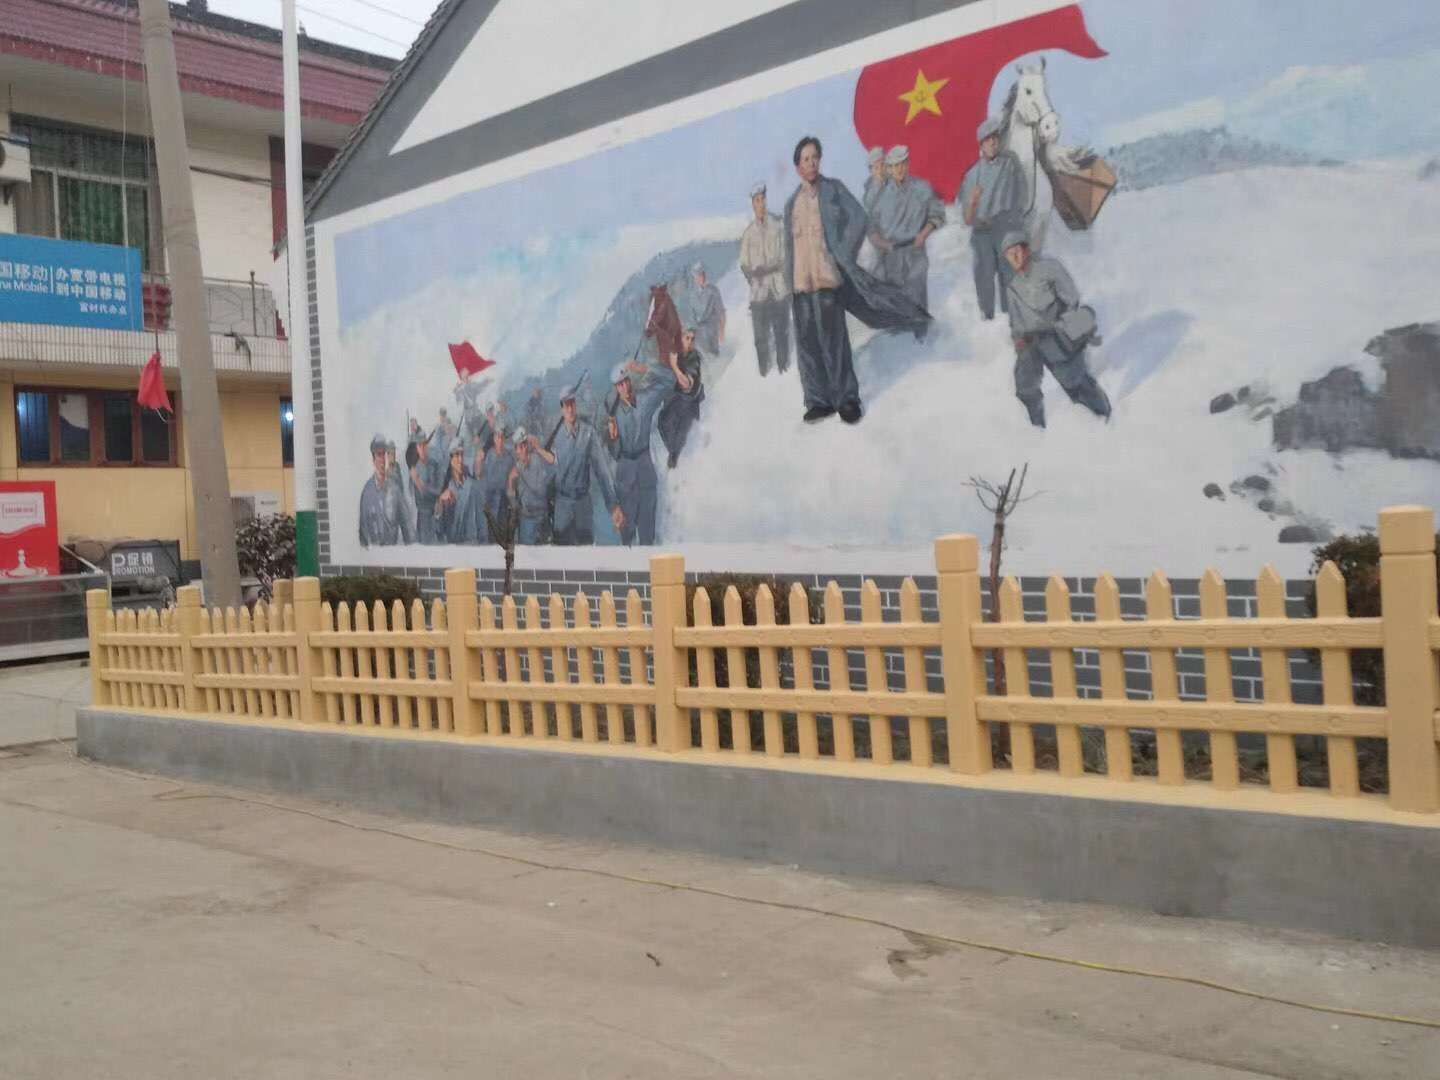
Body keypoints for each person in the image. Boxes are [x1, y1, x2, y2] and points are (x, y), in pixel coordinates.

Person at [783, 135, 930, 425]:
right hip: (801, 285)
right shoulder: (791, 203)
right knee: (808, 346)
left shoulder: (833, 189)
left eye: (815, 158)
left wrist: (842, 251)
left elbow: (859, 219)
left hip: (827, 279)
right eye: (806, 159)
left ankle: (847, 400)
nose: (811, 164)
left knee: (834, 342)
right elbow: (790, 246)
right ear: (798, 166)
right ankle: (818, 401)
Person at [1002, 231, 1111, 428]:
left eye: (1017, 250)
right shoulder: (1013, 288)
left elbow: (1072, 298)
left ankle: (1104, 417)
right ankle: (1036, 429)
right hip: (1031, 341)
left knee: (1074, 381)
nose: (1014, 257)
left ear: (1026, 250)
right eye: (1009, 254)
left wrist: (1064, 328)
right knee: (1025, 385)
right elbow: (1016, 322)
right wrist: (1019, 341)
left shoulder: (1049, 268)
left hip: (1058, 334)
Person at [960, 115, 1027, 320]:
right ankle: (987, 317)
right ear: (981, 145)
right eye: (988, 139)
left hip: (1007, 228)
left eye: (995, 138)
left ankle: (1013, 317)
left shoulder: (1011, 163)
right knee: (984, 275)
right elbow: (967, 219)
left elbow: (1022, 194)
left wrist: (1014, 222)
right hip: (982, 232)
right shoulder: (972, 175)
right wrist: (973, 202)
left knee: (1011, 274)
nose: (993, 142)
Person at [868, 145, 946, 312]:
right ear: (889, 168)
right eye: (895, 165)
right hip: (891, 255)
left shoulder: (922, 188)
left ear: (908, 163)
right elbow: (871, 229)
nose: (899, 169)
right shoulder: (880, 195)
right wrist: (884, 244)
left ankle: (922, 327)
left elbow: (938, 215)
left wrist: (923, 235)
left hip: (915, 251)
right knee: (895, 306)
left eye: (903, 163)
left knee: (917, 303)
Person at [549, 377, 624, 545]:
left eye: (572, 404)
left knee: (586, 551)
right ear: (562, 408)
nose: (570, 409)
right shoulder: (556, 436)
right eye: (566, 405)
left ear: (575, 405)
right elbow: (548, 470)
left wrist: (613, 506)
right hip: (562, 507)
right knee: (560, 554)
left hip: (583, 504)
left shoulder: (589, 434)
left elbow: (602, 471)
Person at [606, 359, 671, 545]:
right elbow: (615, 453)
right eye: (619, 384)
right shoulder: (613, 414)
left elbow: (669, 380)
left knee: (647, 536)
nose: (624, 387)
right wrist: (613, 437)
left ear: (630, 380)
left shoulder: (646, 399)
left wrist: (644, 368)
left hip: (645, 472)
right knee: (626, 537)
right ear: (616, 388)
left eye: (626, 381)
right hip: (625, 479)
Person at [738, 182, 791, 377]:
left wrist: (770, 269)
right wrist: (753, 277)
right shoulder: (748, 233)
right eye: (757, 200)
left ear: (766, 201)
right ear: (753, 204)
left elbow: (785, 257)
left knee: (781, 333)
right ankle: (763, 374)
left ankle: (784, 370)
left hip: (778, 289)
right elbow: (744, 263)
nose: (760, 204)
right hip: (758, 292)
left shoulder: (778, 226)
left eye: (762, 199)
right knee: (760, 338)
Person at [656, 328, 705, 468]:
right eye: (687, 338)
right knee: (663, 423)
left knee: (683, 437)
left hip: (689, 403)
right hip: (676, 400)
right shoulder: (676, 353)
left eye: (692, 339)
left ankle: (675, 457)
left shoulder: (693, 357)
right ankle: (674, 455)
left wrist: (674, 366)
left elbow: (687, 384)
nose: (690, 342)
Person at [508, 426, 554, 545]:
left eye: (524, 445)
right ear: (516, 450)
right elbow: (511, 498)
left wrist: (538, 448)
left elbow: (552, 460)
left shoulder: (538, 459)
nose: (523, 449)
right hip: (527, 520)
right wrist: (511, 483)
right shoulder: (515, 470)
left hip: (543, 518)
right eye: (519, 447)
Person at [358, 433, 399, 547]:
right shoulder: (366, 493)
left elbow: (408, 531)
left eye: (385, 454)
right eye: (379, 455)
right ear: (373, 459)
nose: (383, 459)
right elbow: (363, 535)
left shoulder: (395, 490)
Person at [435, 444, 481, 544]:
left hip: (472, 543)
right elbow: (439, 528)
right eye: (457, 455)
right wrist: (440, 503)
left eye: (462, 455)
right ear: (450, 460)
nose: (460, 460)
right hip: (453, 545)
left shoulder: (472, 485)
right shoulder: (447, 488)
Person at [475, 424, 514, 541]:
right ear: (494, 438)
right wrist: (479, 462)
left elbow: (513, 479)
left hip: (503, 500)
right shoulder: (487, 455)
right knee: (489, 534)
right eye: (497, 437)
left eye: (502, 437)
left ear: (505, 439)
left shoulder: (509, 457)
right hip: (489, 499)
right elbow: (478, 474)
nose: (500, 440)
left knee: (502, 535)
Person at [409, 431, 446, 543]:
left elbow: (440, 489)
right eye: (419, 446)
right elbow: (416, 495)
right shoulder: (415, 469)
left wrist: (420, 484)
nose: (422, 448)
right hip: (422, 518)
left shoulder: (435, 465)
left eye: (424, 445)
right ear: (417, 448)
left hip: (437, 515)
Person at [688, 262, 725, 356]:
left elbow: (721, 312)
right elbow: (692, 314)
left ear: (704, 275)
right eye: (696, 276)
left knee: (713, 356)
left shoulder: (713, 291)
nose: (698, 278)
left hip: (711, 330)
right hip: (698, 333)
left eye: (700, 275)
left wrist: (722, 331)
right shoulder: (693, 294)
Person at [384, 438, 416, 544]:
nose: (393, 455)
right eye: (391, 453)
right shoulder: (385, 469)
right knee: (391, 530)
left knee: (408, 527)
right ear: (387, 454)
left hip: (400, 500)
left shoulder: (397, 466)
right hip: (390, 503)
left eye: (394, 452)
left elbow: (401, 484)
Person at [862, 146, 887, 214]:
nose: (880, 170)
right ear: (871, 170)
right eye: (876, 167)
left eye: (882, 165)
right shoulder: (869, 191)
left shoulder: (896, 182)